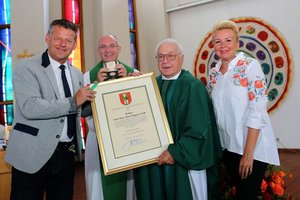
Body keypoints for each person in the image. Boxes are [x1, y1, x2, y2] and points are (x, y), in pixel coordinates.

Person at [5, 19, 95, 200]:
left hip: (66, 154)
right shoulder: (26, 67)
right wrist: (73, 101)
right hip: (31, 153)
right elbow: (31, 107)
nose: (63, 44)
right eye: (58, 39)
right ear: (47, 38)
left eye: (69, 41)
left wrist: (102, 98)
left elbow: (77, 110)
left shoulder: (76, 73)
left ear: (75, 45)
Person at [133, 38, 222, 200]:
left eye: (171, 56)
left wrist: (175, 152)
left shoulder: (193, 87)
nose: (165, 61)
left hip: (183, 163)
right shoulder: (151, 85)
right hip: (155, 161)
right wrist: (133, 87)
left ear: (181, 58)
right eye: (160, 57)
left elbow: (199, 130)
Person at [207, 20, 280, 199]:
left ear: (237, 43)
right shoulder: (213, 74)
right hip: (229, 148)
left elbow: (258, 111)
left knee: (247, 195)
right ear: (213, 45)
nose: (223, 45)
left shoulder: (250, 66)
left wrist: (248, 154)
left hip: (252, 148)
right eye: (218, 41)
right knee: (240, 194)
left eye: (228, 40)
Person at [84, 34, 140, 200]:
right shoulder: (88, 76)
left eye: (112, 45)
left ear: (119, 49)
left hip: (127, 137)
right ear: (98, 51)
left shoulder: (133, 73)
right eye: (103, 46)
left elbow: (140, 107)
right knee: (99, 190)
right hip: (99, 139)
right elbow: (84, 109)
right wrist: (96, 83)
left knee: (128, 187)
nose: (107, 50)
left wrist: (130, 83)